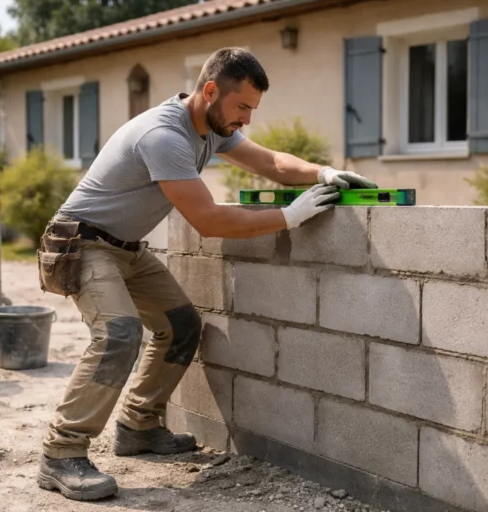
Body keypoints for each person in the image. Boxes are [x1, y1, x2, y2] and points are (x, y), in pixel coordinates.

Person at [36, 47, 377, 501]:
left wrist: (325, 171)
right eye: (242, 108)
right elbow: (210, 220)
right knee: (119, 333)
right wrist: (289, 217)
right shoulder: (164, 135)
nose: (247, 120)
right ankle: (61, 453)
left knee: (181, 325)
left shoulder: (211, 128)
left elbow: (269, 163)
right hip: (83, 243)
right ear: (211, 91)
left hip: (126, 247)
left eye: (252, 110)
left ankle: (138, 425)